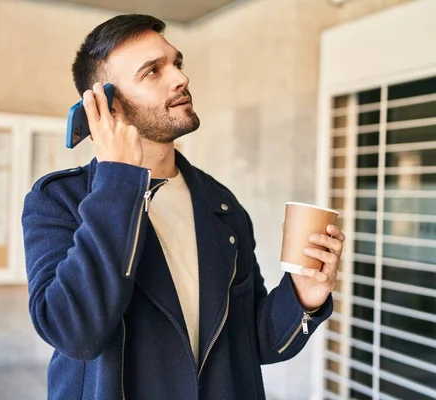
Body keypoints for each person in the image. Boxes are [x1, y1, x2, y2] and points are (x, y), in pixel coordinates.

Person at [22, 14, 345, 400]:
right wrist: (118, 180)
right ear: (107, 106)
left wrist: (304, 296)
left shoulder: (221, 205)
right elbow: (76, 333)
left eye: (176, 63)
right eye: (152, 71)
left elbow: (257, 343)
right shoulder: (59, 201)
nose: (180, 78)